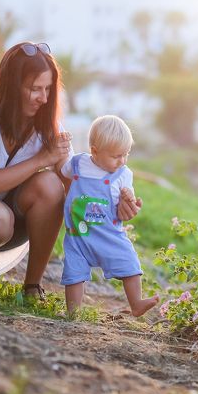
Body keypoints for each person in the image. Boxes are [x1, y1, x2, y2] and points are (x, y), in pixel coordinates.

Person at [0, 41, 142, 299]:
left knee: (50, 186)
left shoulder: (48, 126)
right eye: (35, 88)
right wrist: (40, 159)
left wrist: (116, 205)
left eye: (48, 89)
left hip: (7, 224)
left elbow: (77, 188)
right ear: (11, 86)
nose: (43, 98)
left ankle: (33, 286)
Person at [60, 115, 158, 317]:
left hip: (109, 235)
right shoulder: (78, 164)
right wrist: (59, 146)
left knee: (129, 261)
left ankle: (136, 303)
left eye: (126, 154)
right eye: (116, 156)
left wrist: (128, 199)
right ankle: (73, 312)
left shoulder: (123, 174)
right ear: (94, 151)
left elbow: (127, 201)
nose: (122, 161)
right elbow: (61, 170)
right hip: (79, 236)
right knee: (74, 273)